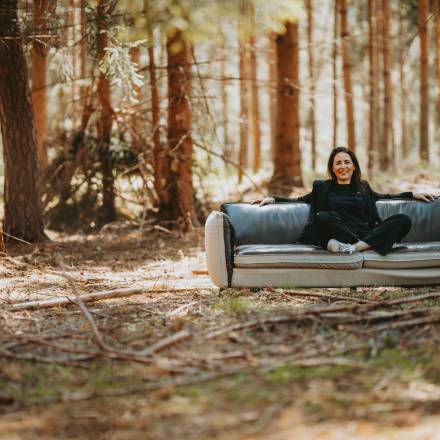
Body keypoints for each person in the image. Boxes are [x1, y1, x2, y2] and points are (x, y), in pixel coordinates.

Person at [251, 146, 437, 255]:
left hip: (362, 235)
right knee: (323, 217)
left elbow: (385, 197)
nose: (343, 166)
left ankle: (355, 248)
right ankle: (364, 246)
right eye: (338, 163)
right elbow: (299, 200)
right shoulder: (322, 187)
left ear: (354, 166)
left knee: (403, 219)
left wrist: (412, 194)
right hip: (336, 232)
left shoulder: (363, 187)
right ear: (333, 168)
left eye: (347, 162)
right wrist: (273, 199)